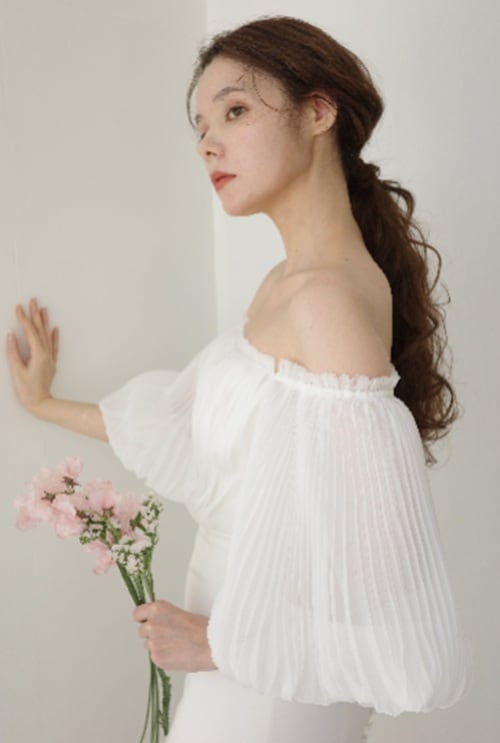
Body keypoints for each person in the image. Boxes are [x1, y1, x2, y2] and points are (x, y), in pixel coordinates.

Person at [5, 14, 473, 743]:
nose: (207, 143)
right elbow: (189, 428)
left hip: (269, 686)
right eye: (201, 126)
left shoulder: (326, 302)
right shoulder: (287, 283)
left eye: (235, 111)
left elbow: (377, 592)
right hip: (243, 661)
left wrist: (217, 644)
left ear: (318, 112)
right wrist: (46, 404)